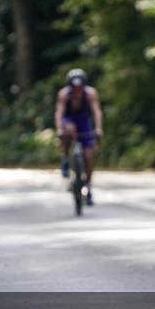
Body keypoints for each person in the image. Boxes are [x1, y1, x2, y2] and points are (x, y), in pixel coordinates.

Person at [55, 68, 103, 206]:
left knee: (88, 156)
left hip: (84, 121)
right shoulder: (64, 95)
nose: (77, 90)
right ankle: (65, 158)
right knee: (68, 130)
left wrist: (98, 128)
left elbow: (97, 111)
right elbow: (59, 113)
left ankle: (88, 187)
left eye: (79, 87)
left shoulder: (90, 94)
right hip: (69, 120)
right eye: (74, 87)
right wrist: (59, 129)